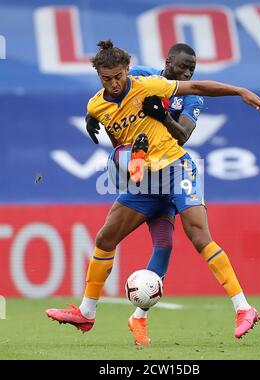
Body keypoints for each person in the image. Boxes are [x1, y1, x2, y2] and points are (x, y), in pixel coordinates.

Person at [46, 40, 260, 346]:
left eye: (118, 77)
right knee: (108, 238)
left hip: (177, 169)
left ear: (127, 70)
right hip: (146, 181)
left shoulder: (148, 85)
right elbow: (117, 141)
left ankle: (244, 308)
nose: (114, 84)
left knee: (199, 237)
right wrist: (95, 118)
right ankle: (88, 313)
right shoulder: (98, 103)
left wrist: (240, 91)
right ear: (99, 76)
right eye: (106, 79)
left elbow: (198, 90)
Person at [85, 43, 205, 345]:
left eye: (191, 69)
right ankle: (133, 160)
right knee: (123, 162)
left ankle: (138, 317)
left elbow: (184, 136)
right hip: (145, 173)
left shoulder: (192, 96)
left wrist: (163, 118)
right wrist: (93, 115)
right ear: (168, 64)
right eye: (182, 68)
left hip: (168, 168)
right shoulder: (142, 77)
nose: (186, 73)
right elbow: (110, 97)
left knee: (164, 245)